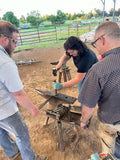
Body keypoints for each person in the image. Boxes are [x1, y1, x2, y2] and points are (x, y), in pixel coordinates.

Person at [0, 21, 47, 160]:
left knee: (1, 131)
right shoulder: (5, 62)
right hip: (4, 108)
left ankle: (14, 154)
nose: (15, 46)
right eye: (14, 42)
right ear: (4, 40)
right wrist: (32, 108)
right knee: (22, 133)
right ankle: (30, 158)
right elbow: (18, 94)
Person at [78, 21, 120, 159]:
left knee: (108, 153)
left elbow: (89, 106)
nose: (96, 48)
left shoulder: (98, 70)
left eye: (94, 43)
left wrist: (84, 122)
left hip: (111, 123)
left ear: (101, 40)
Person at [52, 36, 98, 106]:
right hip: (83, 72)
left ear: (78, 48)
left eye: (72, 52)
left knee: (86, 96)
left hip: (93, 75)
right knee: (82, 92)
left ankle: (85, 111)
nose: (70, 54)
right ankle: (83, 106)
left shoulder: (86, 57)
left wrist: (61, 85)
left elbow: (78, 79)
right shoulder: (73, 50)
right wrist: (60, 62)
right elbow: (66, 55)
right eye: (69, 52)